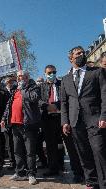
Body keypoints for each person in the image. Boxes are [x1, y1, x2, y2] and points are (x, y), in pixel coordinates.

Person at [61, 46, 106, 189]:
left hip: (95, 119)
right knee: (83, 152)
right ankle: (91, 182)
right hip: (75, 121)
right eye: (78, 53)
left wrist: (104, 115)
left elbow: (105, 96)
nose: (82, 54)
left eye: (83, 52)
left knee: (99, 151)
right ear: (71, 58)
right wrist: (65, 121)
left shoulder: (97, 72)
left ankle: (104, 183)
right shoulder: (65, 79)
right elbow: (64, 102)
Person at [39, 65, 84, 182]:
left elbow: (68, 99)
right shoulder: (41, 86)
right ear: (45, 73)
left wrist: (56, 105)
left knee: (70, 146)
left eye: (54, 72)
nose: (52, 74)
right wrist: (46, 106)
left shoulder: (62, 83)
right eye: (49, 72)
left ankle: (78, 172)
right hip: (48, 119)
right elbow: (38, 100)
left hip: (63, 118)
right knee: (50, 146)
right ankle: (53, 168)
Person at [1, 70, 41, 185]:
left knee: (30, 151)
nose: (19, 78)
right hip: (15, 124)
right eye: (18, 77)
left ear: (27, 77)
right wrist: (4, 118)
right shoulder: (14, 90)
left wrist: (23, 89)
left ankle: (31, 174)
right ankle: (20, 173)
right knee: (17, 151)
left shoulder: (33, 87)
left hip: (28, 124)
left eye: (22, 76)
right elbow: (9, 106)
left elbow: (34, 98)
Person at [2, 76, 17, 170]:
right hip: (4, 120)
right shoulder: (2, 91)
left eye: (11, 81)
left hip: (14, 119)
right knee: (8, 143)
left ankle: (17, 162)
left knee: (15, 142)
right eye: (7, 81)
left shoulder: (16, 90)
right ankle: (11, 162)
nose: (9, 83)